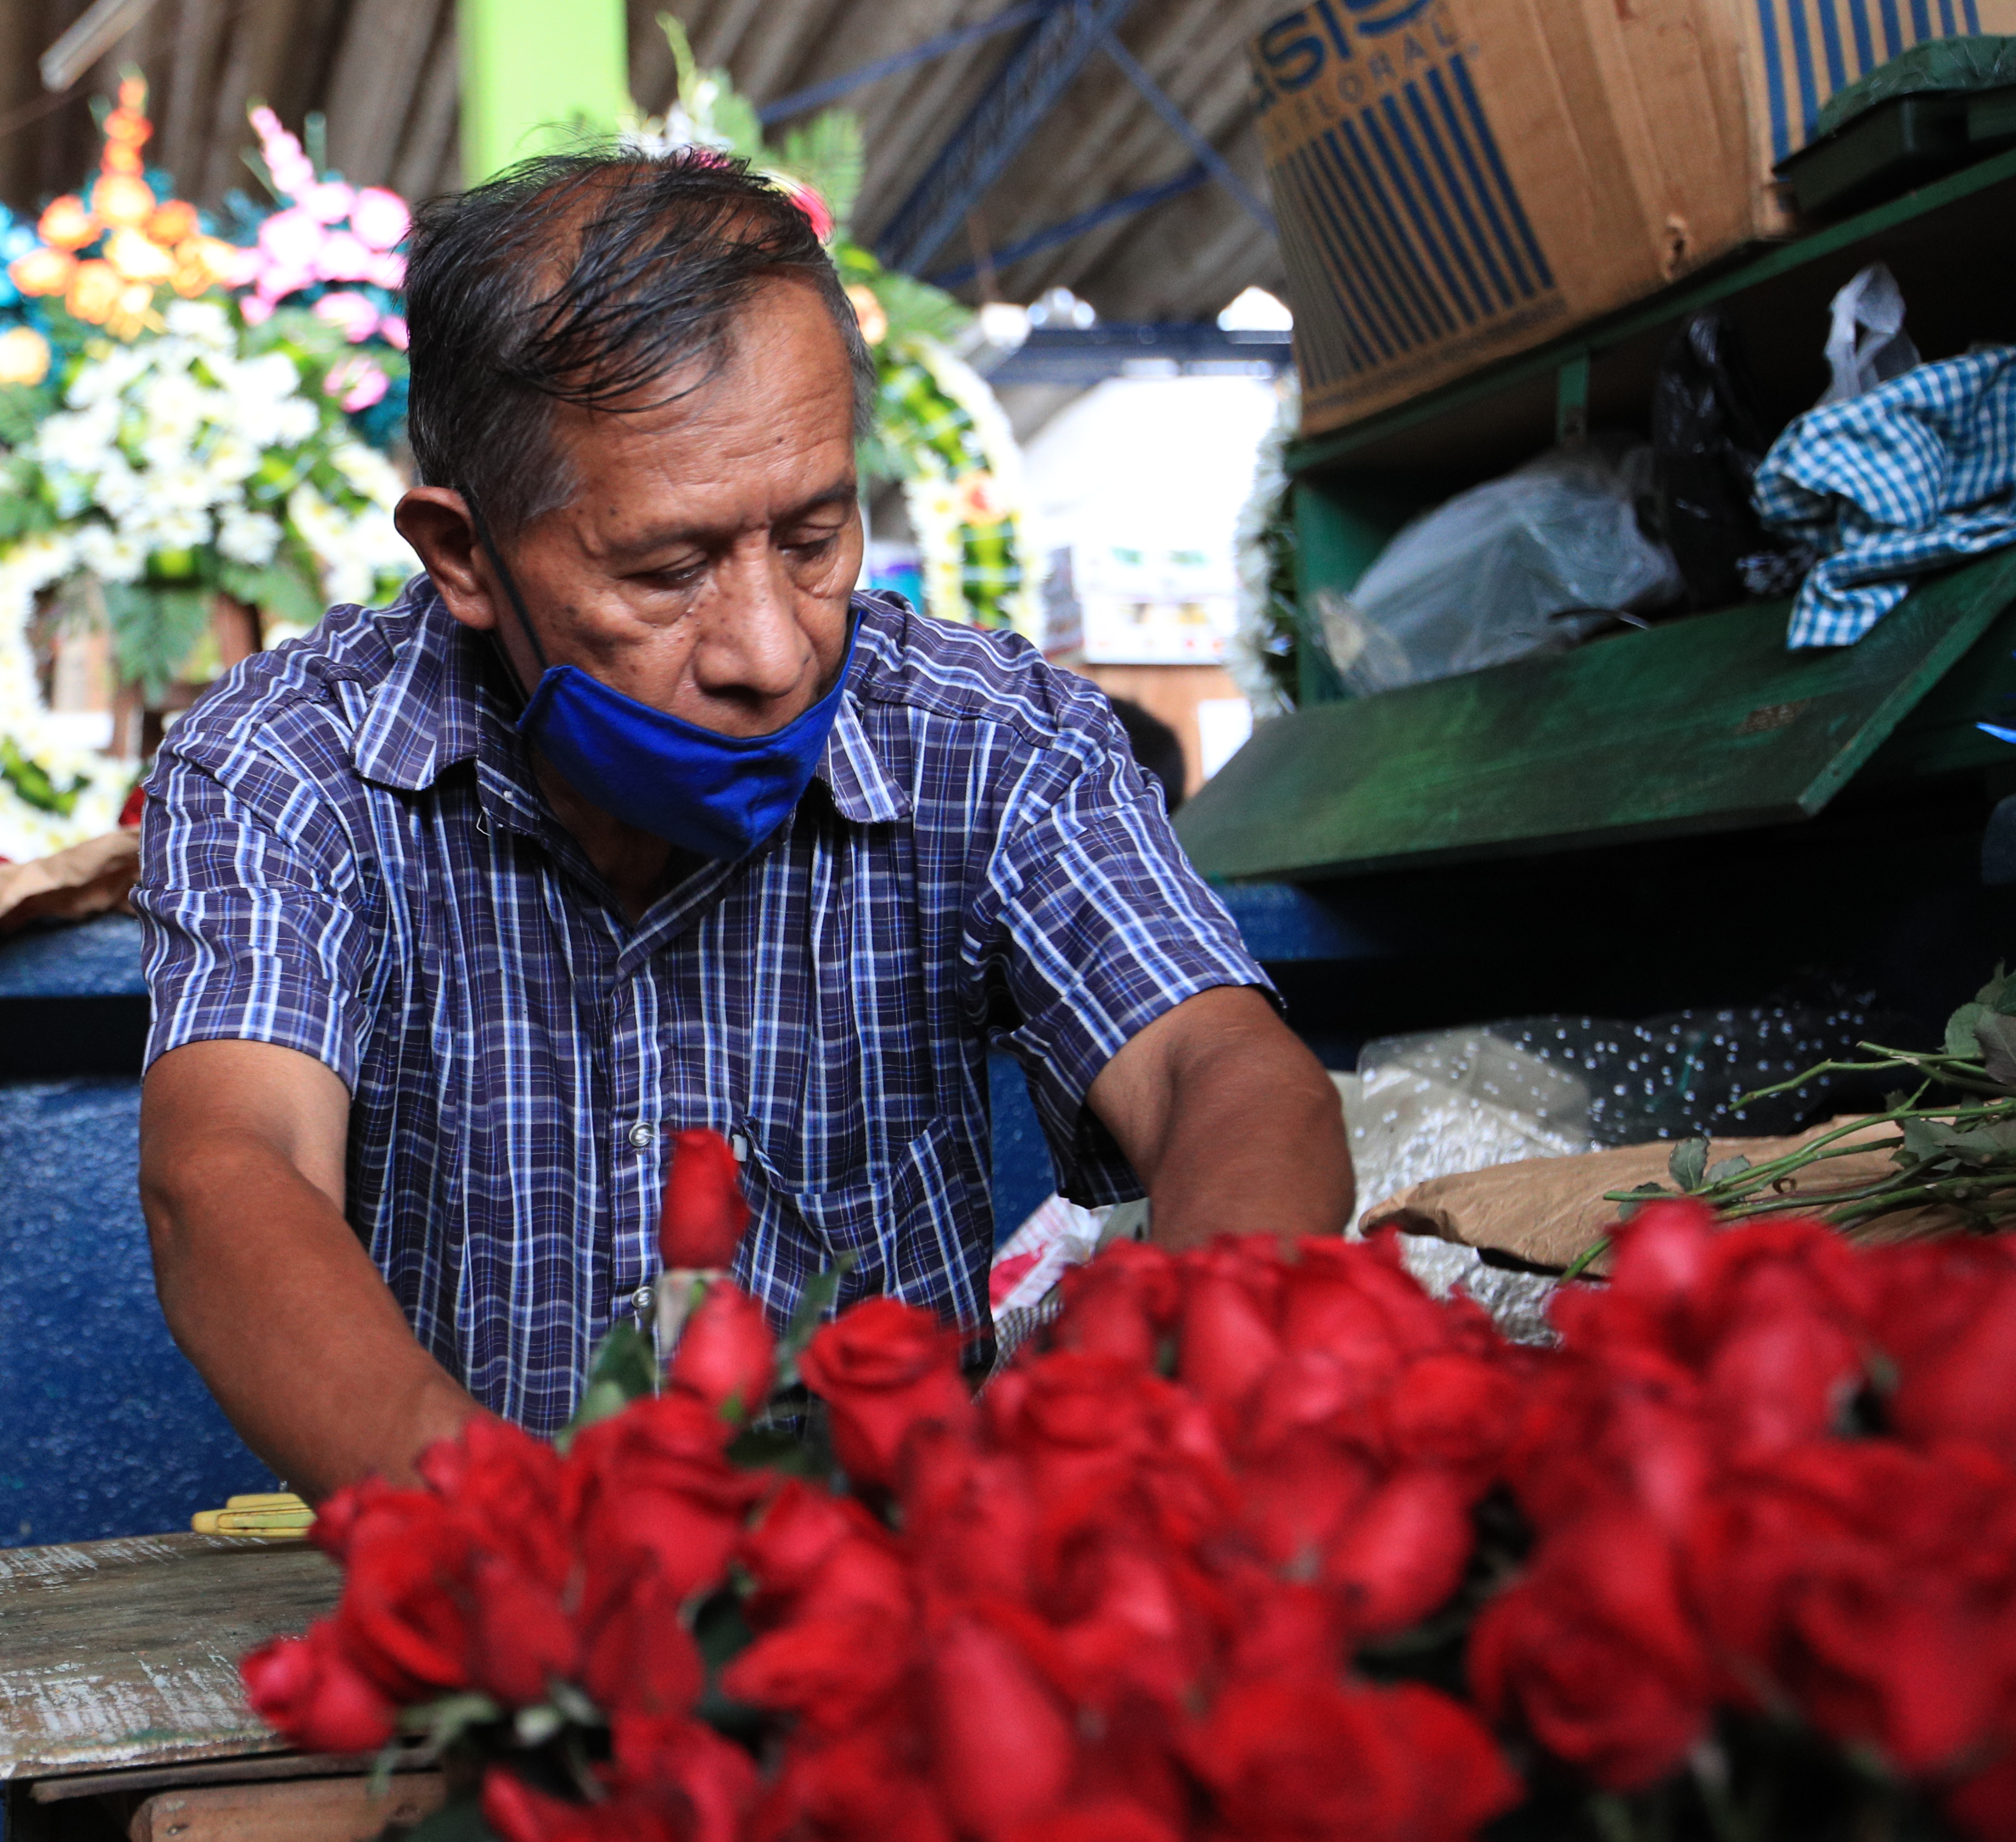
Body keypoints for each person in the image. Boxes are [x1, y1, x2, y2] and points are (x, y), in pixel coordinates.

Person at [134, 151, 1352, 1501]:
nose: (771, 653)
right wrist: (498, 1537)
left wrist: (1189, 1410)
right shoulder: (287, 764)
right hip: (471, 1553)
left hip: (905, 1570)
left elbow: (1215, 1069)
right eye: (669, 570)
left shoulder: (990, 739)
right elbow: (232, 1167)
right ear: (465, 557)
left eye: (815, 539)